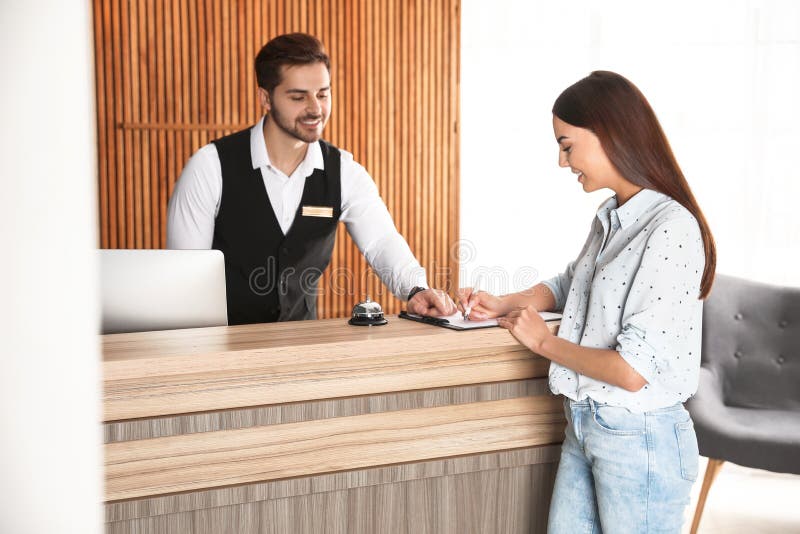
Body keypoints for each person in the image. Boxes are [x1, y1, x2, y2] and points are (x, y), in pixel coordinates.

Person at [458, 71, 716, 533]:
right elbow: (571, 282)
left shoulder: (670, 228)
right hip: (585, 424)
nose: (562, 161)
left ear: (609, 134)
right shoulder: (611, 219)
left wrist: (542, 342)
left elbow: (630, 372)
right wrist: (504, 303)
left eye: (567, 144)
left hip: (640, 438)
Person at [167, 33, 455, 325]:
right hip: (221, 349)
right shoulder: (210, 166)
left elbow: (381, 241)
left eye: (322, 93)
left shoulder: (343, 170)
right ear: (265, 98)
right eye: (298, 97)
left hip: (303, 347)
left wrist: (415, 289)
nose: (315, 109)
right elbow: (187, 276)